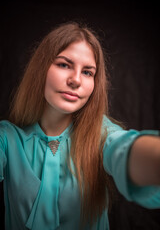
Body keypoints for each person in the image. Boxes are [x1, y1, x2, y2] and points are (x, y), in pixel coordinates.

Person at [0, 22, 160, 230]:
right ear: (40, 69)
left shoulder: (102, 135)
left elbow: (125, 148)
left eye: (87, 72)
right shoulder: (8, 137)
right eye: (64, 64)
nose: (76, 80)